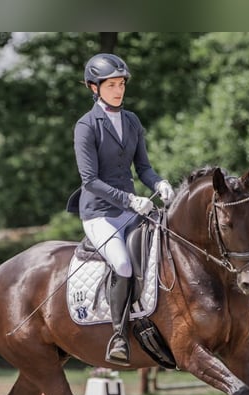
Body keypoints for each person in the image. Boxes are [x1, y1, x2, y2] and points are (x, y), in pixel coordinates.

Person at [66, 53, 175, 366]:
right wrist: (129, 200)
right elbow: (90, 180)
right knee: (123, 264)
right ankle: (118, 336)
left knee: (165, 244)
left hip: (132, 208)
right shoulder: (86, 126)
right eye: (111, 85)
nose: (118, 90)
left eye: (121, 84)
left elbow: (143, 168)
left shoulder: (132, 121)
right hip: (99, 212)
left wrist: (159, 184)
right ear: (94, 87)